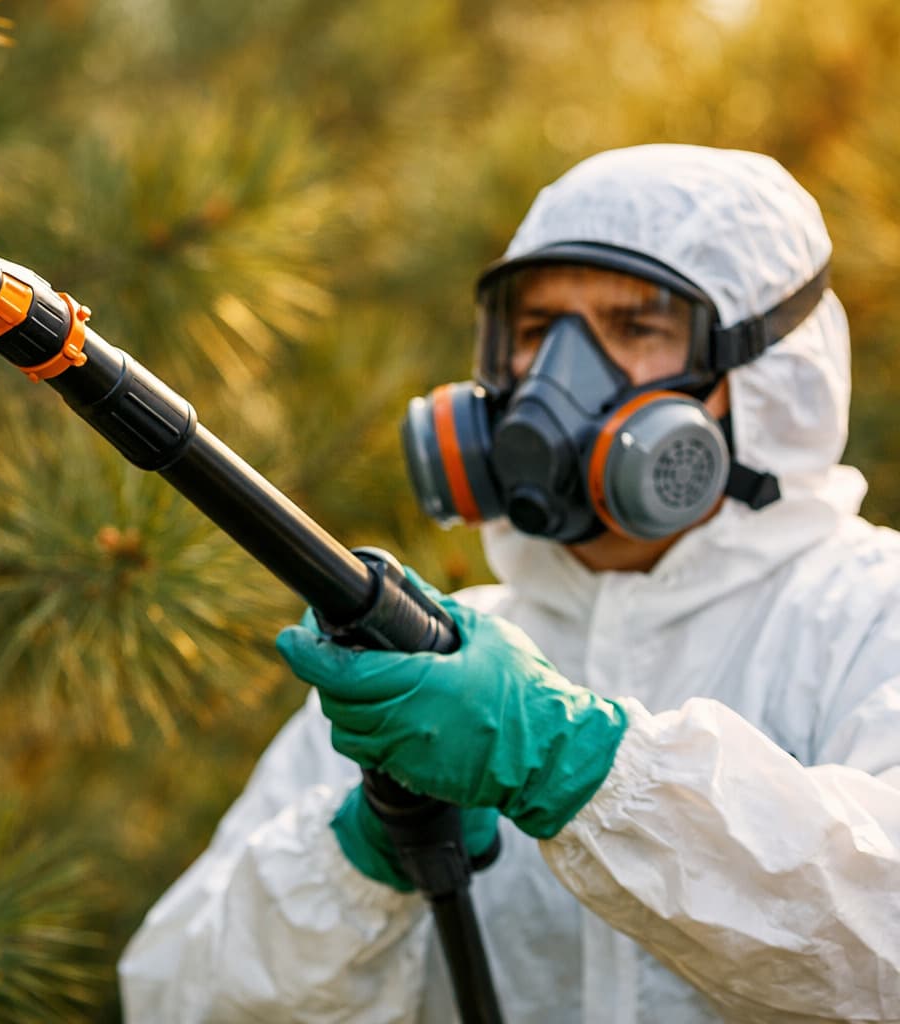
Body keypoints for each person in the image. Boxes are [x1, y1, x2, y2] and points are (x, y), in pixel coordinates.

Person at [117, 145, 900, 1022]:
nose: (557, 376)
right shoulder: (424, 668)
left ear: (764, 377)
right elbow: (172, 999)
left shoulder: (872, 616)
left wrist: (577, 762)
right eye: (537, 330)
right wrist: (361, 864)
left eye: (636, 328)